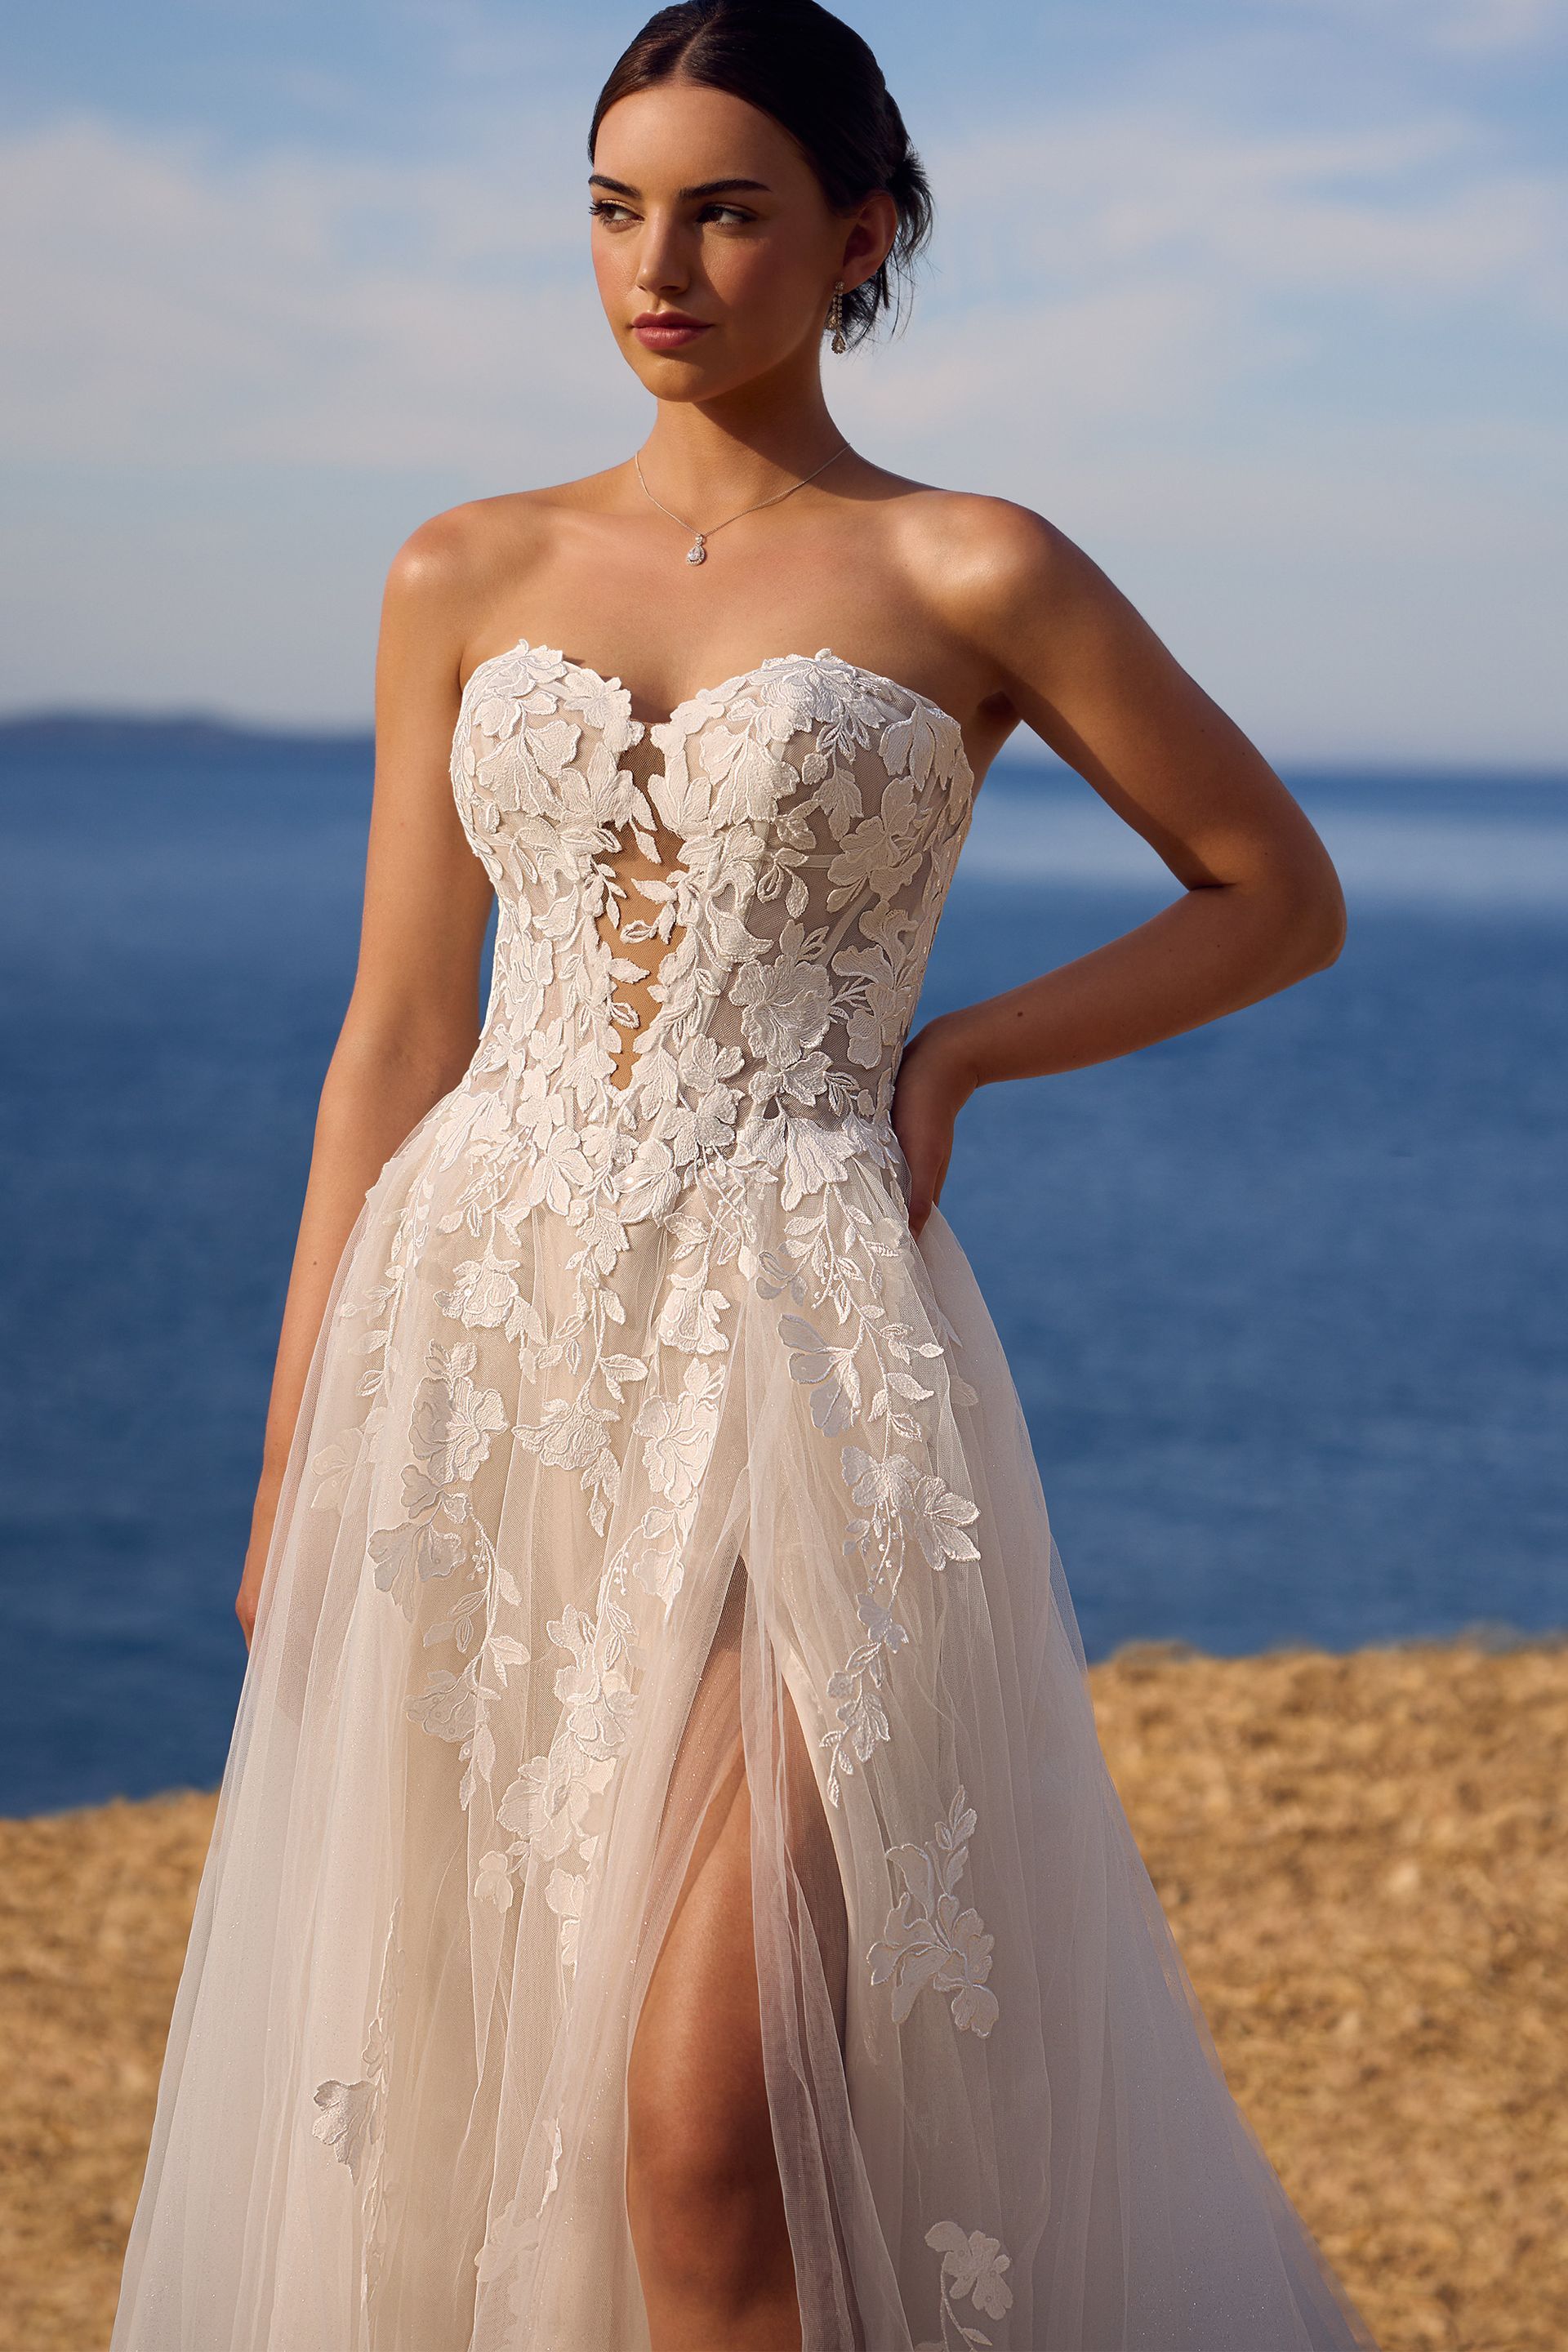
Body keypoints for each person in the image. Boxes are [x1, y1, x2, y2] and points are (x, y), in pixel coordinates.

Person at [111, 3, 1382, 2346]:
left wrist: (962, 1055)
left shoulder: (973, 563)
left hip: (799, 1339)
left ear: (861, 233)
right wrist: (298, 1449)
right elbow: (396, 1034)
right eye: (615, 212)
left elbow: (1272, 894)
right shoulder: (463, 564)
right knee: (485, 2066)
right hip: (479, 1346)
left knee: (714, 2124)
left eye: (724, 211)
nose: (656, 268)